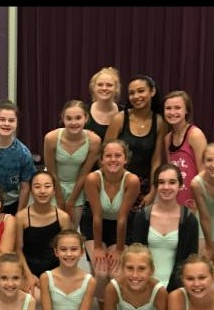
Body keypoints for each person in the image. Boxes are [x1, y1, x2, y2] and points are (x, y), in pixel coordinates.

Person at [84, 139, 140, 310]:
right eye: (108, 155)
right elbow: (97, 216)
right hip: (94, 225)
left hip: (121, 227)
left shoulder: (132, 181)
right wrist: (98, 247)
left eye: (118, 155)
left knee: (116, 273)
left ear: (125, 159)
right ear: (101, 160)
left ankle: (113, 309)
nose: (113, 159)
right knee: (101, 272)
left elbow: (122, 218)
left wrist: (119, 250)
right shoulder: (93, 179)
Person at [130, 163, 199, 292]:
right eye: (161, 182)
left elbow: (190, 262)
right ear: (156, 186)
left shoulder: (189, 220)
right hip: (144, 286)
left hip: (177, 288)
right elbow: (135, 256)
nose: (166, 187)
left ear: (180, 186)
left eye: (172, 182)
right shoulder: (142, 216)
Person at [104, 74, 166, 209]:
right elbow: (105, 155)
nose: (136, 96)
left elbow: (156, 160)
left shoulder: (159, 122)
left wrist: (152, 191)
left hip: (144, 188)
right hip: (118, 184)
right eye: (132, 93)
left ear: (152, 91)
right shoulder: (120, 119)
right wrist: (110, 187)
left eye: (141, 91)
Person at [81, 66, 122, 263]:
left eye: (109, 85)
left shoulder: (124, 115)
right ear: (93, 87)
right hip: (88, 182)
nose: (105, 88)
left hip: (116, 184)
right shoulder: (82, 114)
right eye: (101, 84)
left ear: (116, 89)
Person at [15, 170, 72, 304]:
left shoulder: (63, 217)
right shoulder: (21, 217)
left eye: (47, 186)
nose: (42, 191)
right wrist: (28, 275)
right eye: (37, 186)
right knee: (35, 298)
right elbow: (18, 250)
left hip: (55, 269)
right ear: (31, 191)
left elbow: (66, 250)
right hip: (29, 268)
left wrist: (55, 276)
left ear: (54, 191)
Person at [42, 100, 102, 226]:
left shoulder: (94, 141)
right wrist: (59, 199)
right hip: (52, 185)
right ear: (63, 119)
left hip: (76, 187)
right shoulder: (51, 138)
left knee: (71, 228)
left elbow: (83, 174)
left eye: (78, 118)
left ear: (86, 118)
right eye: (69, 118)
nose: (73, 123)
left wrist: (70, 202)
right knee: (51, 228)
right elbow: (51, 172)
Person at [0, 100, 36, 216]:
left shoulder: (23, 153)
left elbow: (25, 187)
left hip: (14, 204)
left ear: (17, 123)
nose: (6, 124)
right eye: (2, 119)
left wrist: (19, 214)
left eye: (11, 120)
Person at [162, 91, 206, 211]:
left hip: (194, 200)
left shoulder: (195, 134)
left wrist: (198, 200)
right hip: (175, 199)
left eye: (177, 108)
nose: (172, 112)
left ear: (186, 110)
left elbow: (203, 172)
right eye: (168, 108)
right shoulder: (167, 138)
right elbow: (170, 171)